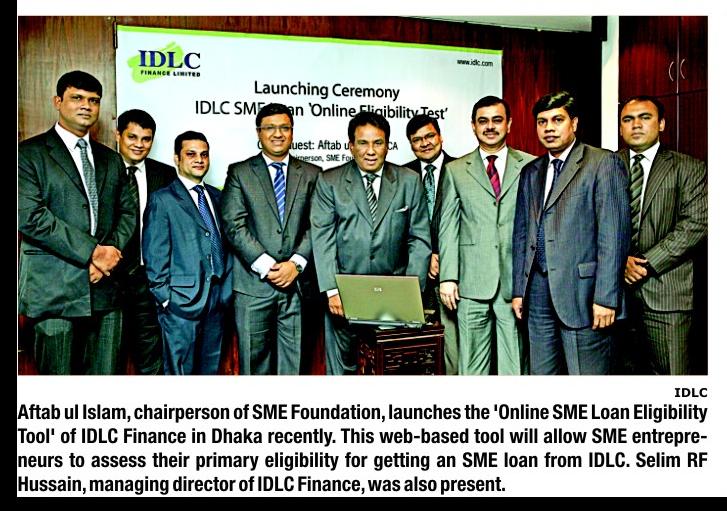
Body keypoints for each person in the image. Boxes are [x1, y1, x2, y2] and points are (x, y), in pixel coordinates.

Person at [18, 70, 136, 374]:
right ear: (57, 102)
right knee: (59, 390)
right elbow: (30, 216)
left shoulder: (111, 159)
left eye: (93, 100)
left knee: (105, 388)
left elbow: (128, 212)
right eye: (77, 98)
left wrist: (109, 256)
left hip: (106, 288)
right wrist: (93, 253)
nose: (86, 105)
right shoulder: (27, 155)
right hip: (54, 290)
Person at [511, 91, 630, 375]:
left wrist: (607, 298)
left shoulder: (602, 163)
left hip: (584, 293)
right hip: (537, 292)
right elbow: (522, 236)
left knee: (585, 379)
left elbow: (614, 236)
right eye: (542, 122)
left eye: (557, 120)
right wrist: (519, 291)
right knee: (542, 376)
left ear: (574, 123)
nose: (549, 128)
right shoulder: (531, 171)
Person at [311, 111, 431, 375]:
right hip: (345, 293)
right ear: (351, 146)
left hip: (395, 294)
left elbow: (419, 238)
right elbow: (322, 238)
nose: (371, 151)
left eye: (378, 143)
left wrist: (411, 293)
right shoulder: (329, 182)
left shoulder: (409, 181)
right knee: (343, 370)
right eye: (363, 143)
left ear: (387, 145)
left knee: (393, 371)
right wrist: (332, 290)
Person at [221, 103, 321, 375]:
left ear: (292, 132)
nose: (278, 134)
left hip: (297, 288)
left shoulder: (312, 173)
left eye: (284, 128)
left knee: (294, 367)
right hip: (253, 288)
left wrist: (295, 264)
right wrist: (269, 266)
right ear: (259, 132)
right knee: (255, 368)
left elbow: (318, 224)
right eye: (270, 128)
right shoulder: (240, 172)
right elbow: (233, 225)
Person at [439, 96, 535, 375]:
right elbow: (448, 227)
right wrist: (448, 277)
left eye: (497, 120)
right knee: (471, 367)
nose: (490, 127)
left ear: (509, 124)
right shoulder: (455, 170)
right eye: (483, 121)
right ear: (473, 126)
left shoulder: (530, 165)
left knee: (514, 365)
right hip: (471, 282)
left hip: (514, 283)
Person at [618, 95, 707, 375]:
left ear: (661, 124)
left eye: (645, 117)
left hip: (666, 293)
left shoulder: (689, 167)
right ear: (620, 127)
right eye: (628, 119)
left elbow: (696, 223)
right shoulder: (606, 166)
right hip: (614, 295)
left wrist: (644, 264)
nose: (636, 125)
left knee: (671, 378)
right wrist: (621, 261)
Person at [142, 131, 232, 375]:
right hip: (180, 303)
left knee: (209, 371)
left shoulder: (217, 196)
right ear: (177, 159)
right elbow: (155, 254)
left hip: (217, 299)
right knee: (180, 373)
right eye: (191, 154)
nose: (199, 160)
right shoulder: (162, 199)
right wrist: (166, 298)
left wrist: (226, 292)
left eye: (204, 154)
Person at [115, 109, 176, 375]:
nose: (139, 144)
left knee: (151, 359)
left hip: (149, 279)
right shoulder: (103, 169)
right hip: (109, 279)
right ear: (118, 135)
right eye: (132, 137)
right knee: (107, 356)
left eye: (146, 139)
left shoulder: (166, 174)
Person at [404, 114, 459, 375]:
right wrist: (424, 256)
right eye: (417, 140)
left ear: (440, 137)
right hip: (414, 272)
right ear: (410, 144)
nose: (424, 143)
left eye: (429, 136)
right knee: (416, 348)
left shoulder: (461, 170)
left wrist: (442, 255)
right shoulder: (402, 175)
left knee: (453, 346)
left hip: (453, 274)